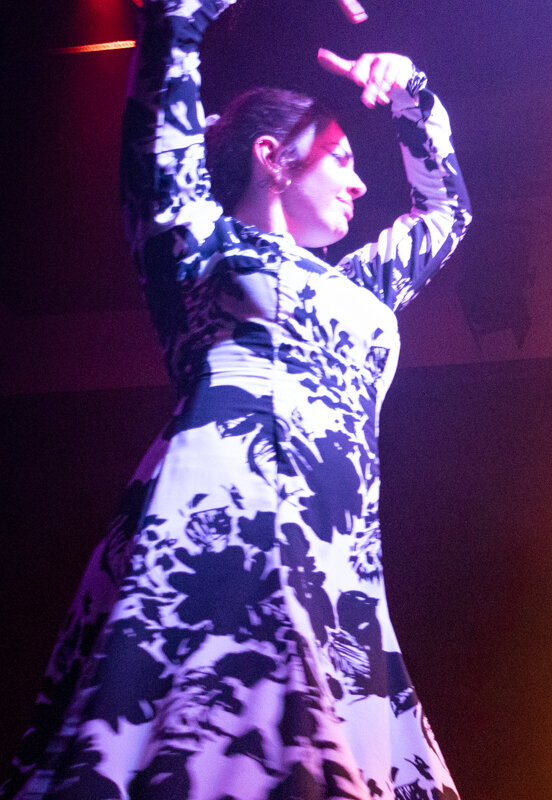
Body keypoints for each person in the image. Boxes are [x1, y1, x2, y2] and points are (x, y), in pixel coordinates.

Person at [1, 0, 470, 798]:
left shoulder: (354, 285)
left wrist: (409, 99)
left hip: (338, 560)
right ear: (274, 156)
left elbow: (445, 214)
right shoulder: (197, 245)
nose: (361, 183)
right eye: (343, 159)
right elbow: (160, 130)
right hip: (223, 527)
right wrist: (183, 18)